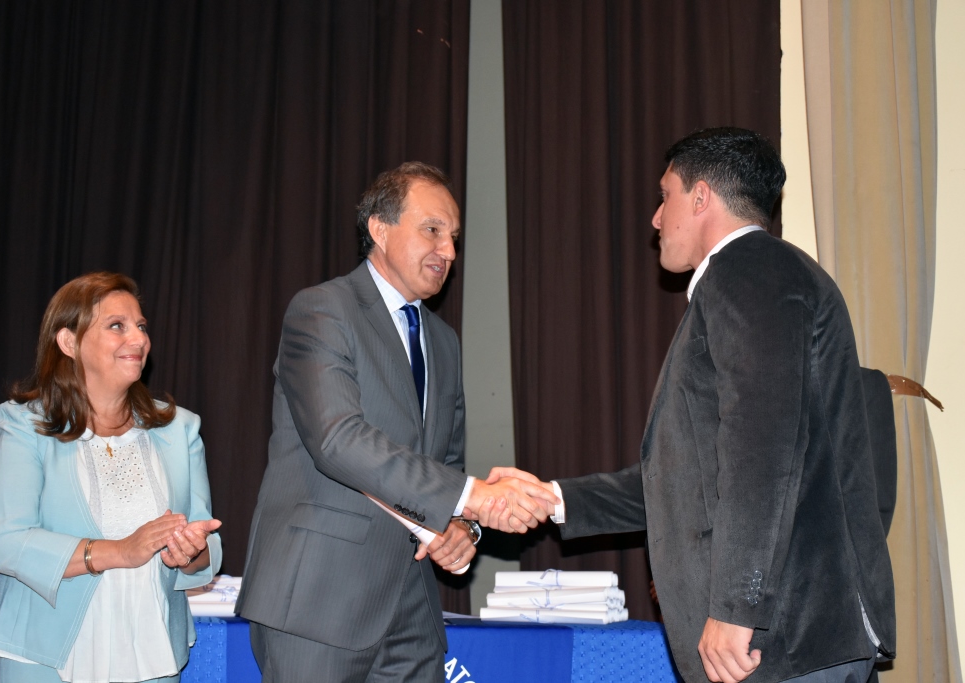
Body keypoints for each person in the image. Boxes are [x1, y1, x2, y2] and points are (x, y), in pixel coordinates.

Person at [480, 129, 896, 683]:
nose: (655, 218)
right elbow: (689, 483)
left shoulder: (749, 268)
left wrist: (736, 607)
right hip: (790, 642)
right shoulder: (759, 276)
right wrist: (551, 498)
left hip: (782, 642)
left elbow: (762, 447)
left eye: (664, 195)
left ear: (700, 197)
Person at [236, 161, 558, 682]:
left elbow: (445, 465)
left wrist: (459, 528)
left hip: (412, 609)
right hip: (319, 603)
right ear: (379, 230)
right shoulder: (321, 311)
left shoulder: (444, 344)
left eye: (454, 237)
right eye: (432, 230)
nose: (449, 252)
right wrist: (474, 498)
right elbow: (338, 440)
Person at [0, 272, 223, 683]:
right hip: (46, 655)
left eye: (141, 326)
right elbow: (8, 543)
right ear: (69, 342)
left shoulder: (180, 430)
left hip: (151, 652)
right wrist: (121, 551)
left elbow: (204, 547)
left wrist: (189, 551)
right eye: (116, 326)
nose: (139, 339)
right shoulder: (25, 426)